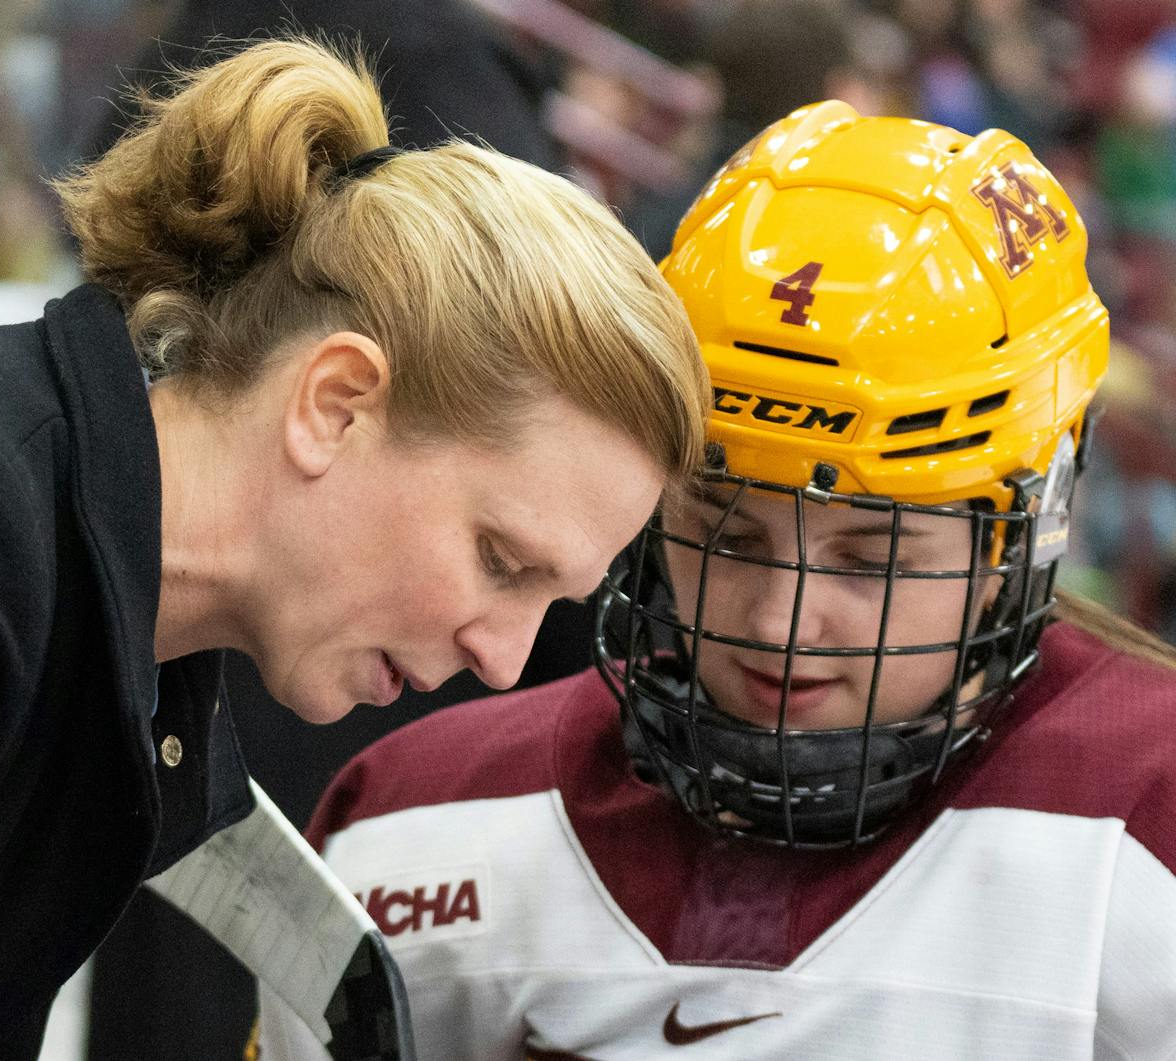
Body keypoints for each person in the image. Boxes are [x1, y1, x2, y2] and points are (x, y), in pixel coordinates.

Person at [0, 38, 709, 1060]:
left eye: (550, 600)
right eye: (499, 559)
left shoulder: (119, 663)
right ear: (334, 404)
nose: (504, 657)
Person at [254, 99, 1176, 1059]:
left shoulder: (1150, 816)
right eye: (726, 537)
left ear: (1019, 536)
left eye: (874, 560)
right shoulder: (413, 826)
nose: (778, 624)